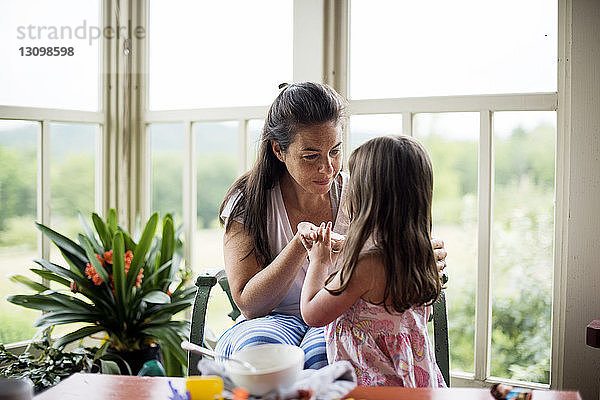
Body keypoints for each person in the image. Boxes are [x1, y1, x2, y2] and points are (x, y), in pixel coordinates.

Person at [216, 82, 447, 370]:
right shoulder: (249, 199)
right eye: (311, 156)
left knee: (329, 357)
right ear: (279, 150)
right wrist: (300, 246)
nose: (327, 167)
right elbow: (250, 305)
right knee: (259, 354)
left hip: (340, 316)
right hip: (268, 319)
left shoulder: (359, 191)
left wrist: (419, 255)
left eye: (335, 151)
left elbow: (390, 252)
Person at [299, 135, 446, 387]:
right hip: (415, 387)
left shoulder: (366, 267)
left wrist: (319, 260)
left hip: (374, 391)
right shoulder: (421, 255)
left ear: (368, 196)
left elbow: (312, 313)